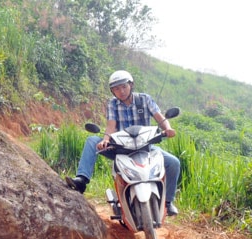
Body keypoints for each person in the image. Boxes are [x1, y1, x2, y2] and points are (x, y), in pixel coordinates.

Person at [66, 70, 180, 216]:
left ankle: (168, 202)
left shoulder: (144, 99)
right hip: (121, 147)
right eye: (116, 89)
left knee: (174, 163)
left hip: (145, 146)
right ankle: (81, 180)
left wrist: (168, 129)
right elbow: (111, 126)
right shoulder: (112, 104)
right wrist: (106, 140)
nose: (121, 91)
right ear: (112, 91)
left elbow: (160, 118)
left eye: (124, 87)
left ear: (131, 85)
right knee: (92, 141)